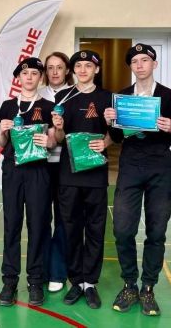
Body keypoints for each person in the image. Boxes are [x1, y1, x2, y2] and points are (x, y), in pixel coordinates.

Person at [104, 43, 171, 316]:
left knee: (156, 231)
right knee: (123, 229)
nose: (139, 65)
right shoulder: (122, 97)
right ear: (131, 67)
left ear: (154, 64)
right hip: (130, 165)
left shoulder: (169, 96)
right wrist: (110, 121)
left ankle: (148, 287)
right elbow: (117, 138)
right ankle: (129, 283)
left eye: (145, 60)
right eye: (135, 61)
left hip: (160, 165)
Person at [51, 50, 112, 310]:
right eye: (79, 66)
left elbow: (116, 133)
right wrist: (58, 127)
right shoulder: (62, 96)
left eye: (88, 65)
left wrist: (106, 141)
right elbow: (59, 138)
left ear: (96, 69)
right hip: (69, 174)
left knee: (96, 230)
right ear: (73, 70)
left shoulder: (108, 98)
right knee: (71, 229)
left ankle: (90, 283)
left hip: (96, 174)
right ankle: (76, 281)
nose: (83, 70)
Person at [0, 57, 55, 307]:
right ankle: (9, 281)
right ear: (18, 78)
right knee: (11, 225)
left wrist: (49, 142)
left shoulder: (49, 106)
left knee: (38, 225)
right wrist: (2, 131)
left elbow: (53, 141)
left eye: (34, 73)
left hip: (38, 171)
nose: (29, 77)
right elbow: (1, 144)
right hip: (13, 170)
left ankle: (35, 280)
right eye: (25, 73)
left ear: (40, 77)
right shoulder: (8, 105)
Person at [39, 51, 73, 293]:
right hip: (41, 165)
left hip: (66, 166)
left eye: (59, 67)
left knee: (63, 219)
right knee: (40, 218)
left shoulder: (75, 94)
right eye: (50, 67)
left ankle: (57, 272)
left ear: (67, 70)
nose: (54, 72)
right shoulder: (37, 94)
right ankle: (40, 270)